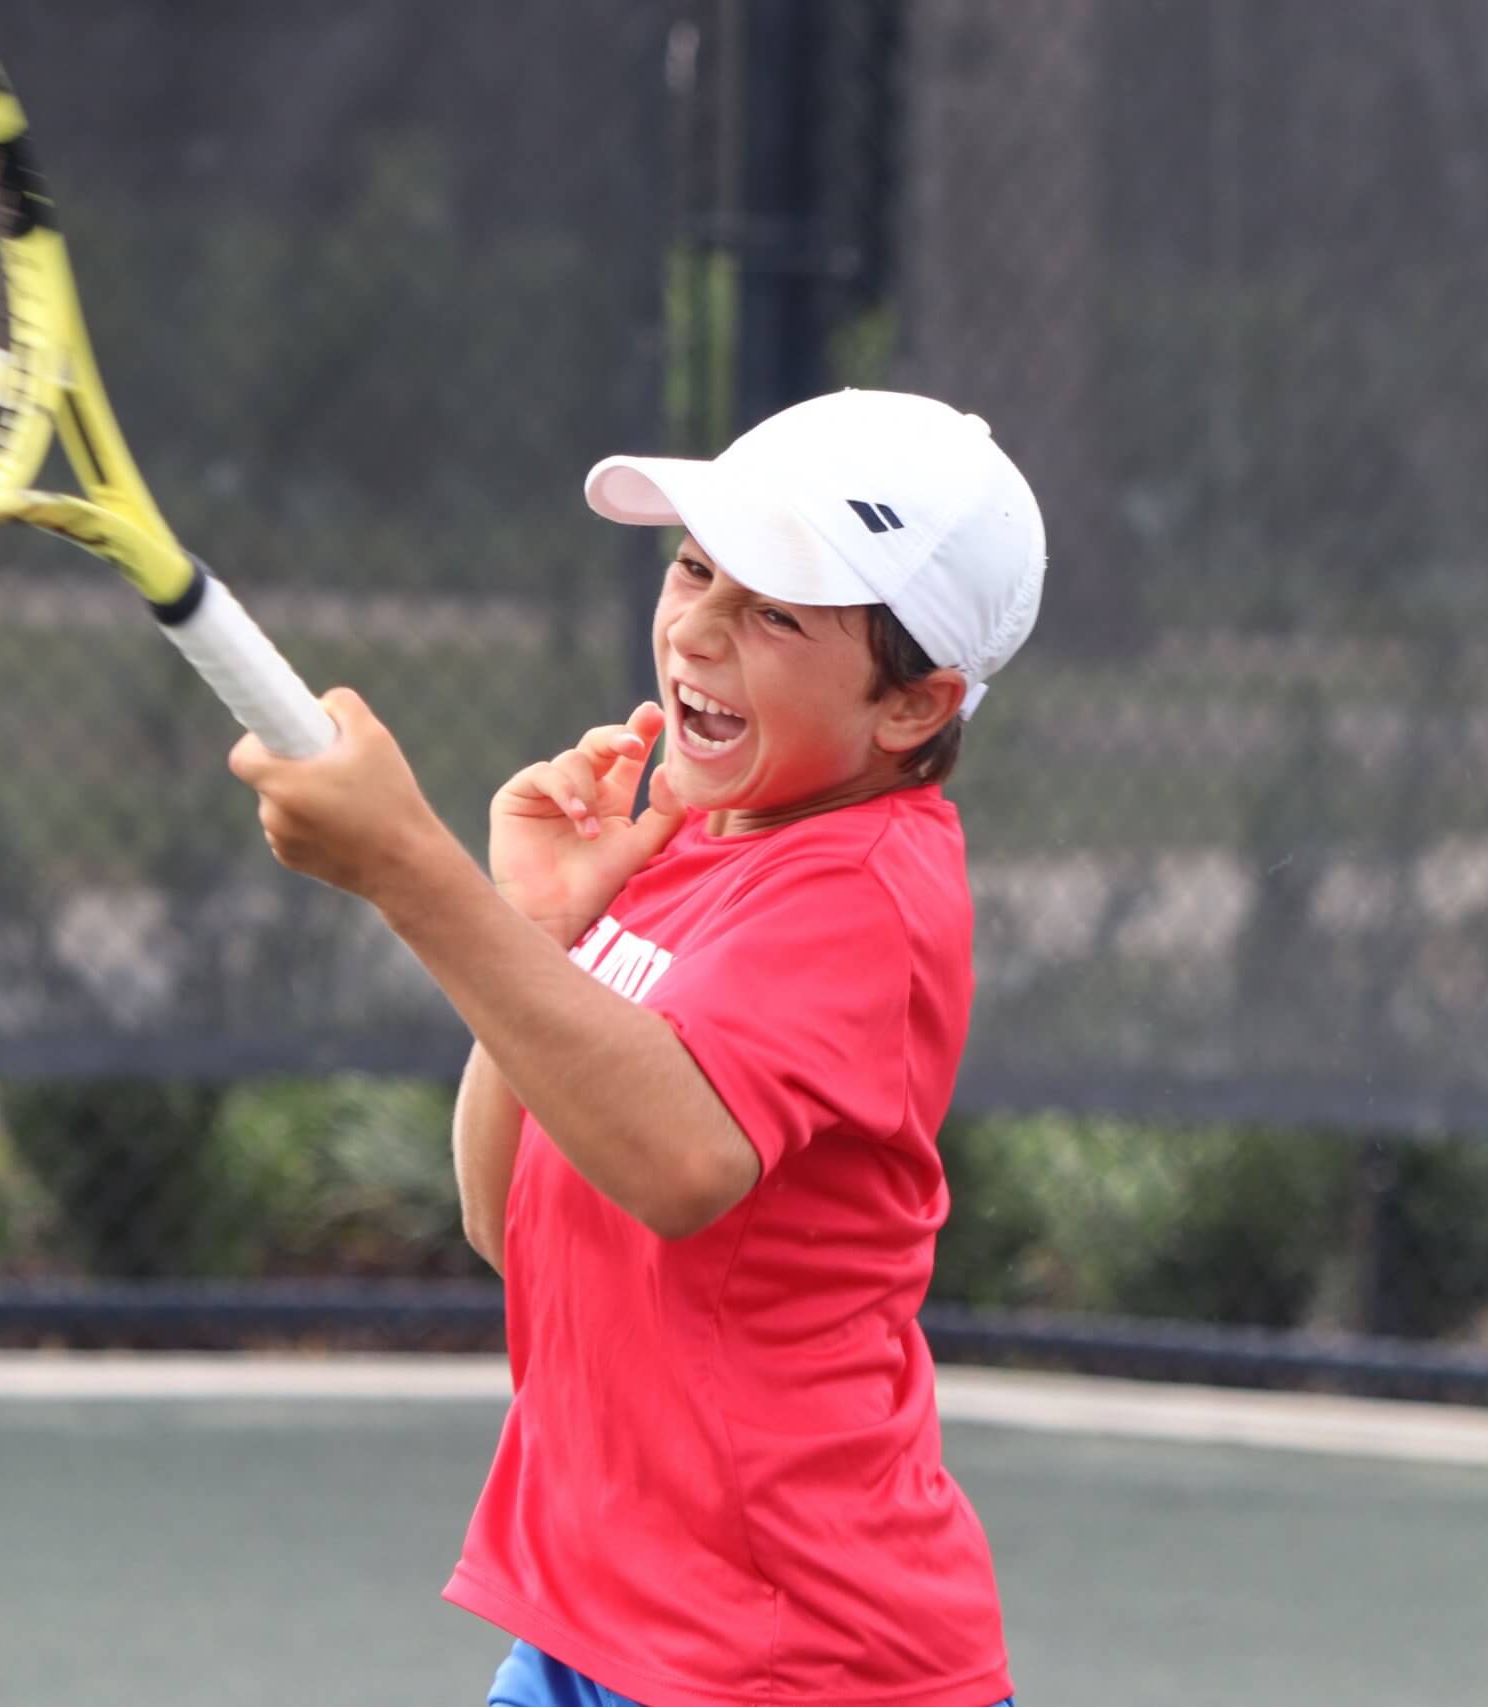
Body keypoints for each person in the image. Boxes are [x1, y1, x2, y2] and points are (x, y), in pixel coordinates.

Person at [226, 389, 1041, 1707]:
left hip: (795, 1661)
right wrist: (537, 931)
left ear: (913, 705)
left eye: (778, 612)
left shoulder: (864, 888)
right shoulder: (691, 837)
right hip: (591, 1625)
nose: (699, 630)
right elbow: (507, 1215)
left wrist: (410, 871)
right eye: (696, 568)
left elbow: (676, 1164)